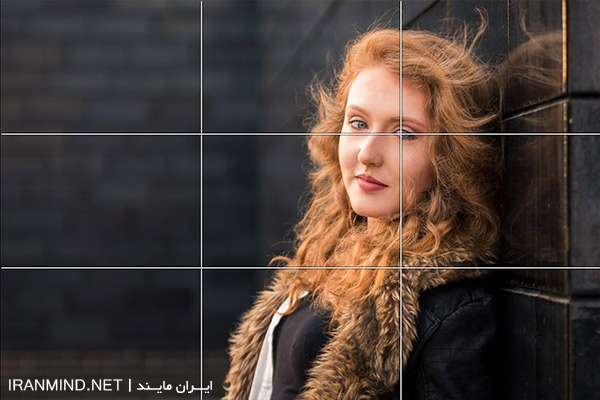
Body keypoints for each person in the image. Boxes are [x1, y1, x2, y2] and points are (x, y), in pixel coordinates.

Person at [223, 19, 501, 400]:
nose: (368, 153)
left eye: (404, 133)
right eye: (358, 123)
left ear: (448, 157)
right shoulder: (335, 245)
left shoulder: (450, 306)